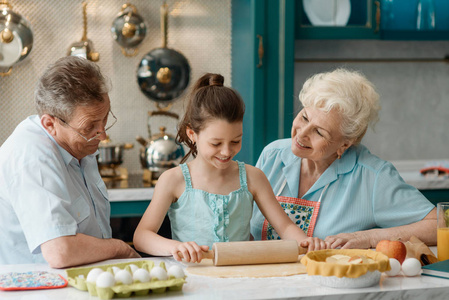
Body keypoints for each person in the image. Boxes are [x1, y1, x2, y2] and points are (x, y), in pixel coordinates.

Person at [133, 73, 327, 263]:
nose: (226, 152)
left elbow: (284, 227)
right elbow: (142, 236)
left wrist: (305, 241)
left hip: (240, 278)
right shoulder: (173, 180)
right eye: (216, 143)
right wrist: (175, 247)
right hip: (191, 278)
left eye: (235, 141)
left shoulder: (253, 177)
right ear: (192, 134)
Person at [250, 68, 437, 249]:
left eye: (319, 132)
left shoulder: (373, 176)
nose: (301, 134)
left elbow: (440, 224)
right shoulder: (272, 154)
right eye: (305, 118)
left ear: (344, 144)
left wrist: (368, 237)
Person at [0, 56, 140, 267]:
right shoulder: (31, 156)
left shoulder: (76, 144)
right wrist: (120, 249)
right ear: (50, 124)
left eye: (105, 119)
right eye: (89, 127)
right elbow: (61, 251)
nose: (102, 136)